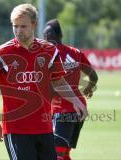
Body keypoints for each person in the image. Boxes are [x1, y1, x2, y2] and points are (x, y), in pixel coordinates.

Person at [0, 4, 88, 160]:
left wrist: (76, 100)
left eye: (23, 26)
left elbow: (58, 81)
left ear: (34, 24)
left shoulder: (50, 51)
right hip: (16, 130)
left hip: (45, 128)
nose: (18, 31)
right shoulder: (1, 53)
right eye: (15, 26)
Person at [43, 19, 98, 160]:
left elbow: (52, 87)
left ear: (46, 38)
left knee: (56, 155)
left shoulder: (48, 55)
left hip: (61, 110)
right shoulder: (76, 52)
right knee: (65, 153)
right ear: (60, 36)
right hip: (80, 108)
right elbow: (93, 76)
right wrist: (89, 89)